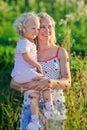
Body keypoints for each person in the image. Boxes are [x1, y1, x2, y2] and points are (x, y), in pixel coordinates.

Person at [10, 12, 71, 130]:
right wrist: (32, 85)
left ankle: (49, 109)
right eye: (42, 27)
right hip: (32, 106)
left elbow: (68, 82)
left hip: (54, 106)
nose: (47, 30)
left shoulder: (60, 51)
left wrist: (50, 83)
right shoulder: (28, 51)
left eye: (50, 27)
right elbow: (13, 83)